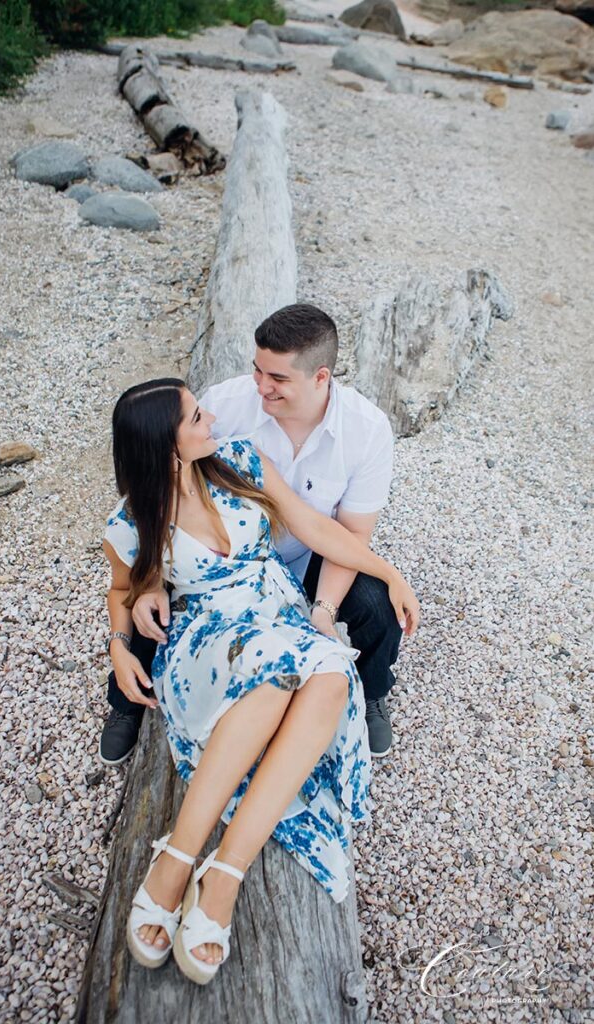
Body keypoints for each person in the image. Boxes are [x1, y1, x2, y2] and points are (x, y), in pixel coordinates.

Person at [102, 378, 419, 982]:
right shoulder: (132, 521)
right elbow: (123, 591)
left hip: (276, 613)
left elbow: (317, 529)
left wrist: (390, 572)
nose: (212, 417)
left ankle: (224, 872)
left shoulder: (241, 462)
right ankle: (174, 862)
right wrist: (121, 646)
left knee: (328, 677)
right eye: (197, 417)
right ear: (168, 449)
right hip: (209, 641)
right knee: (281, 675)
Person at [100, 303, 409, 768]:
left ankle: (371, 690)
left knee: (377, 604)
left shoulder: (365, 432)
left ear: (320, 377)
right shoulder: (224, 406)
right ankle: (126, 700)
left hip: (305, 558)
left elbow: (341, 533)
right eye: (257, 370)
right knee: (150, 603)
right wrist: (142, 593)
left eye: (278, 379)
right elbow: (160, 471)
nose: (261, 386)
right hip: (213, 561)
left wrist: (331, 607)